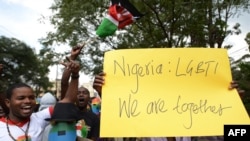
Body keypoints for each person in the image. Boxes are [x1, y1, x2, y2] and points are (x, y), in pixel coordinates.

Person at [93, 72, 245, 141]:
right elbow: (117, 127)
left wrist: (234, 108)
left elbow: (240, 135)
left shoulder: (202, 125)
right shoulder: (139, 129)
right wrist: (106, 94)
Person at [0, 59, 80, 141]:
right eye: (21, 98)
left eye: (31, 97)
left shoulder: (39, 119)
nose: (27, 101)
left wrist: (75, 75)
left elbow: (68, 100)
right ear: (8, 103)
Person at [60, 45, 100, 141]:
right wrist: (72, 58)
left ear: (89, 98)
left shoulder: (94, 118)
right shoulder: (68, 112)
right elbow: (64, 83)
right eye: (78, 93)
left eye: (84, 93)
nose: (81, 94)